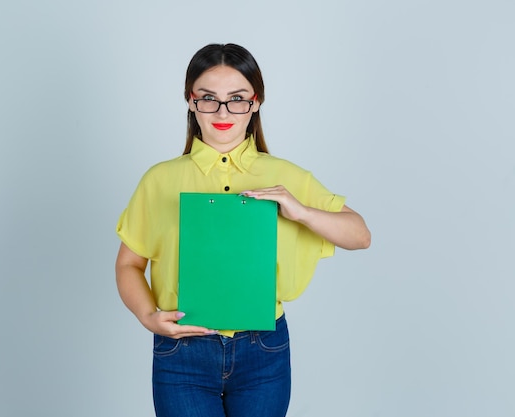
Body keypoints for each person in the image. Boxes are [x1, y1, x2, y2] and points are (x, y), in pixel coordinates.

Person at [115, 43, 371, 417]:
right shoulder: (159, 179)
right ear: (190, 101)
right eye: (208, 98)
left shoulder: (285, 176)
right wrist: (147, 316)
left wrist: (300, 211)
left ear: (255, 102)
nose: (222, 112)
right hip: (182, 353)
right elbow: (128, 264)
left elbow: (360, 235)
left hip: (262, 350)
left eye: (236, 98)